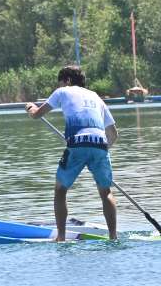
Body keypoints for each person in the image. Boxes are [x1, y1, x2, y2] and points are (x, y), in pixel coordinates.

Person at [26, 65, 119, 241]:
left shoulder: (63, 91)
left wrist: (30, 108)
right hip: (100, 145)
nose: (60, 85)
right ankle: (113, 236)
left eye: (61, 82)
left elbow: (38, 114)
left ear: (67, 80)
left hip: (76, 144)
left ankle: (60, 237)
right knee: (106, 192)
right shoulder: (96, 97)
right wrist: (103, 150)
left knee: (60, 191)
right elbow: (114, 134)